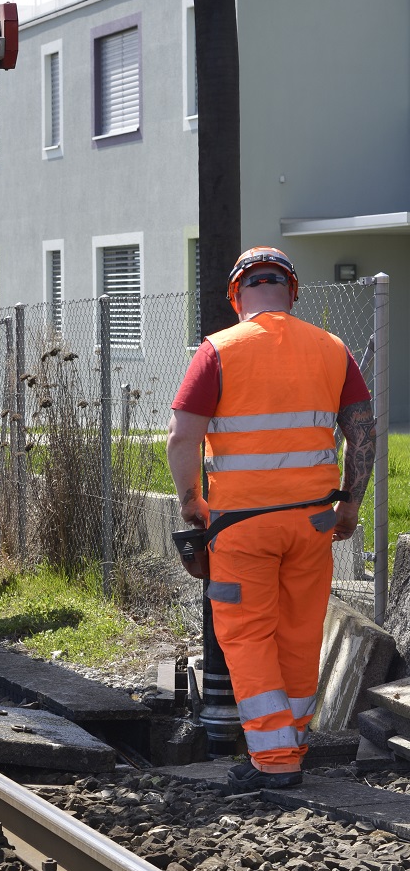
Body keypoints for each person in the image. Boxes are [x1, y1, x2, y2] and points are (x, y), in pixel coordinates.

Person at [167, 246, 375, 792]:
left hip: (241, 528)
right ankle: (292, 742)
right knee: (301, 633)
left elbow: (182, 438)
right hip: (312, 525)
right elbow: (363, 434)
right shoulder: (332, 348)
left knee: (248, 635)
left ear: (237, 295)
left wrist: (192, 503)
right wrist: (349, 505)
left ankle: (275, 758)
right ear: (292, 291)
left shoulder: (218, 350)